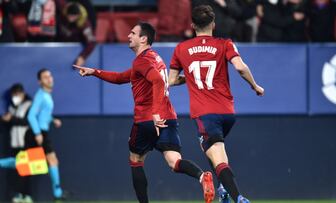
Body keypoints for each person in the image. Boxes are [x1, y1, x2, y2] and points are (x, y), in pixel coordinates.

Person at [74, 22, 215, 203]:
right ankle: (202, 176)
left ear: (143, 38)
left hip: (148, 119)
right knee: (174, 161)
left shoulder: (141, 61)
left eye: (132, 33)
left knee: (135, 159)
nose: (128, 36)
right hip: (169, 118)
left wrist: (155, 113)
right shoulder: (155, 59)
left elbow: (157, 81)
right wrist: (94, 71)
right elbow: (120, 78)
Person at [168, 5, 264, 203]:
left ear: (192, 25)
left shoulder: (181, 49)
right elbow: (240, 67)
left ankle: (238, 198)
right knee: (212, 149)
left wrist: (190, 78)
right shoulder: (225, 43)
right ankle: (223, 191)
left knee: (217, 155)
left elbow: (171, 81)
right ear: (213, 23)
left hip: (204, 113)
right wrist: (255, 86)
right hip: (227, 113)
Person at [25, 68, 65, 200]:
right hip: (37, 133)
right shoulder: (41, 95)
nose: (49, 78)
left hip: (42, 132)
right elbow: (31, 116)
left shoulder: (47, 95)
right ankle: (57, 193)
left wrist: (53, 120)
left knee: (49, 161)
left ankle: (57, 193)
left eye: (50, 76)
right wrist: (37, 133)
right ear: (40, 82)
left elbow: (43, 114)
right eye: (45, 77)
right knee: (23, 163)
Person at [0, 83, 33, 203]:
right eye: (14, 94)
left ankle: (27, 195)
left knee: (26, 170)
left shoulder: (30, 105)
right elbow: (9, 124)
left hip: (26, 142)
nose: (16, 96)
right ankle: (19, 195)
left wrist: (12, 119)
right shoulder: (11, 108)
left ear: (23, 93)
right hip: (14, 143)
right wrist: (5, 120)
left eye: (17, 94)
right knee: (17, 171)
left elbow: (28, 121)